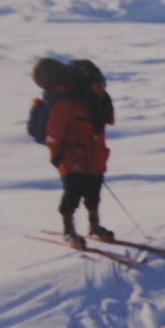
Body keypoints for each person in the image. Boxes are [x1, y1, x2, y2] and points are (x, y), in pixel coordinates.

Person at [32, 58, 113, 248]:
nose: (101, 88)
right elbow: (55, 131)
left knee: (94, 194)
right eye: (98, 84)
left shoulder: (97, 103)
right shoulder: (67, 105)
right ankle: (68, 230)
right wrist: (55, 154)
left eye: (103, 84)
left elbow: (101, 128)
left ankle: (94, 225)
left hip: (94, 158)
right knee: (72, 194)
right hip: (72, 158)